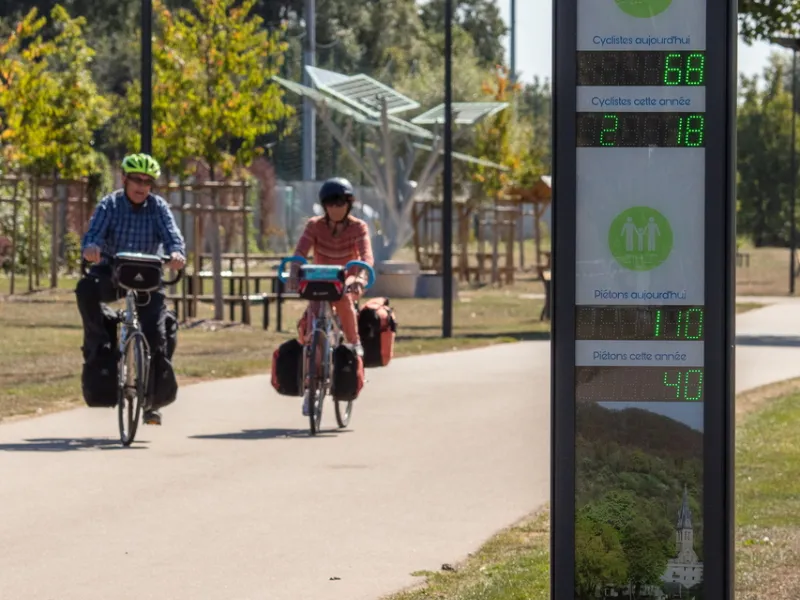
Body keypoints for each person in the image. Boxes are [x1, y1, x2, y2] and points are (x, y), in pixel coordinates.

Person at [76, 153, 186, 426]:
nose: (142, 186)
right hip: (113, 271)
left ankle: (152, 401)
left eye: (148, 181)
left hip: (147, 276)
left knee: (156, 335)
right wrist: (91, 248)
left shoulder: (158, 207)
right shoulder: (110, 204)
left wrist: (176, 253)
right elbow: (93, 235)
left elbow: (173, 237)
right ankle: (101, 343)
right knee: (86, 288)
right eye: (137, 179)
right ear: (124, 179)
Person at [292, 177, 374, 415]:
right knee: (313, 331)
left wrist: (360, 278)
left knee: (345, 297)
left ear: (349, 204)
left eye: (341, 203)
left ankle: (354, 342)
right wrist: (294, 273)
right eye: (331, 203)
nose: (336, 208)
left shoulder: (358, 227)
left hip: (347, 280)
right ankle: (310, 388)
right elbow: (300, 252)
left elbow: (366, 256)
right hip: (320, 280)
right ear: (324, 205)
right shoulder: (314, 226)